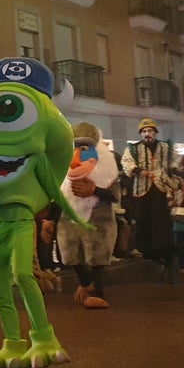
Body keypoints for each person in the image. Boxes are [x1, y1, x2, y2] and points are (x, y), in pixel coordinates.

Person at [57, 122, 119, 307]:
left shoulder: (107, 168)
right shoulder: (65, 166)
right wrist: (49, 220)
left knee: (97, 254)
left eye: (84, 147)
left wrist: (95, 190)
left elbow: (114, 195)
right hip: (70, 215)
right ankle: (86, 283)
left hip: (98, 216)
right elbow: (58, 194)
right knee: (69, 253)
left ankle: (98, 292)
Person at [121, 118, 176, 276]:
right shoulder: (134, 148)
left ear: (155, 132)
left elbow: (174, 162)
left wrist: (174, 171)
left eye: (150, 131)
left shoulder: (166, 147)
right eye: (144, 131)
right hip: (142, 190)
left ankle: (164, 251)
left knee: (161, 220)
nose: (147, 134)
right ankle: (148, 251)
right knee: (143, 220)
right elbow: (126, 163)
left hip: (161, 189)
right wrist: (138, 171)